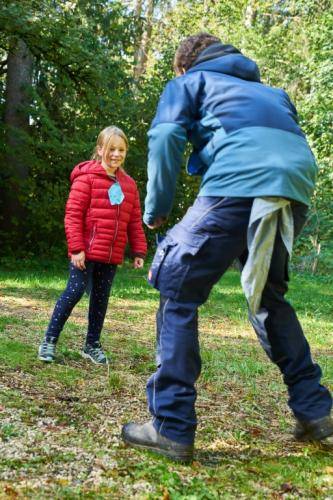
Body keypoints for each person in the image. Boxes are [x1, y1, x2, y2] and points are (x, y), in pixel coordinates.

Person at [121, 33, 333, 462]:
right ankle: (319, 413)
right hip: (294, 187)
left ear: (184, 65)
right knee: (268, 298)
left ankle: (171, 428)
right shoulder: (272, 93)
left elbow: (164, 137)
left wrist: (156, 209)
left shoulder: (190, 83)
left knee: (177, 284)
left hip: (239, 182)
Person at [38, 126, 147, 364]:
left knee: (100, 299)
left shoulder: (129, 186)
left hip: (111, 255)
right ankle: (49, 340)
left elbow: (134, 220)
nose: (116, 154)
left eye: (121, 150)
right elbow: (73, 215)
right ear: (100, 149)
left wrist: (138, 250)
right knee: (74, 292)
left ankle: (92, 344)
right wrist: (76, 248)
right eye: (111, 149)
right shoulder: (86, 179)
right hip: (84, 253)